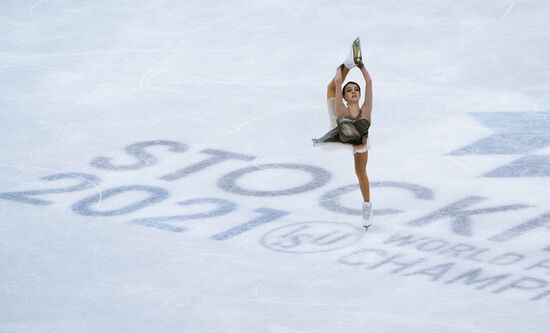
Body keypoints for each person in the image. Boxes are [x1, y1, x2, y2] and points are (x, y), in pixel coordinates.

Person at [312, 37, 373, 231]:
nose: (354, 91)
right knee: (330, 88)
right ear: (345, 97)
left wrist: (360, 66)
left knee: (360, 171)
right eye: (350, 90)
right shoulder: (341, 109)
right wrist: (343, 73)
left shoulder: (366, 111)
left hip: (358, 140)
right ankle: (348, 62)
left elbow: (369, 82)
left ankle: (367, 206)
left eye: (357, 89)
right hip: (339, 130)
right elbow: (337, 84)